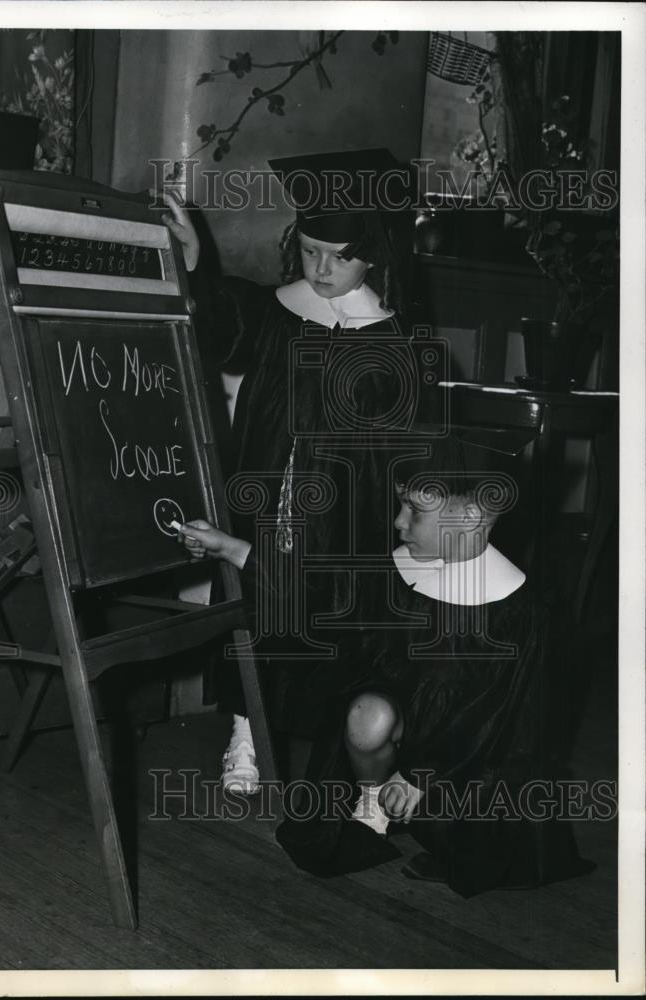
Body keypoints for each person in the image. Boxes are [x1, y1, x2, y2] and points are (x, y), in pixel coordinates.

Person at [159, 148, 433, 793]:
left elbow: (403, 441)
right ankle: (244, 734)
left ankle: (340, 744)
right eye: (310, 251)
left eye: (340, 256)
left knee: (326, 619)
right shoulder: (276, 311)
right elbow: (220, 328)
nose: (322, 268)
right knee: (255, 607)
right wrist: (197, 264)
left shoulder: (392, 337)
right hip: (264, 494)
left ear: (375, 256)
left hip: (342, 513)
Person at [273, 430, 594, 894]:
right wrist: (235, 550)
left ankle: (442, 830)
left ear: (469, 517)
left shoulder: (520, 614)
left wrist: (423, 773)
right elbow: (319, 597)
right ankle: (375, 805)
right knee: (366, 714)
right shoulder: (401, 570)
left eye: (415, 511)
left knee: (476, 821)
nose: (399, 523)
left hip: (474, 759)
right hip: (411, 729)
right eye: (401, 506)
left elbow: (499, 722)